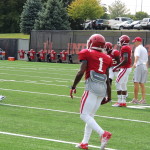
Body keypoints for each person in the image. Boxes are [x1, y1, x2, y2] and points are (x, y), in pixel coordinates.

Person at [70, 34, 113, 150]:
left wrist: (73, 86)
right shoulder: (107, 58)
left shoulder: (87, 53)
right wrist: (109, 96)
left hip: (91, 87)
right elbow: (108, 80)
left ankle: (103, 133)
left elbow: (81, 71)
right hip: (102, 89)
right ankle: (84, 142)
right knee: (90, 116)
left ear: (92, 42)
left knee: (84, 115)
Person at [112, 35, 132, 107]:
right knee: (123, 84)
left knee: (117, 83)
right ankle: (123, 102)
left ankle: (120, 101)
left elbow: (125, 60)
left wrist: (116, 66)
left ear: (123, 40)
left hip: (125, 68)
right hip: (127, 68)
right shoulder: (126, 47)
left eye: (120, 40)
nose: (119, 41)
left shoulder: (124, 47)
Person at [131, 37, 148, 104]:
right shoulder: (144, 49)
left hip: (139, 65)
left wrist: (135, 63)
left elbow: (137, 56)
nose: (134, 43)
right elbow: (146, 60)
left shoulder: (138, 48)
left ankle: (135, 99)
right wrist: (146, 68)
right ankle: (143, 99)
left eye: (135, 41)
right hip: (144, 66)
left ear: (138, 41)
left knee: (136, 82)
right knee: (142, 83)